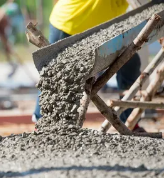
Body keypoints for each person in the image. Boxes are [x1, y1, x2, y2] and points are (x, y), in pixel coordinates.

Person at [32, 0, 157, 131]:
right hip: (70, 23)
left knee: (130, 63)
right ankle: (43, 124)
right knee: (55, 75)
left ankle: (130, 122)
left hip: (105, 28)